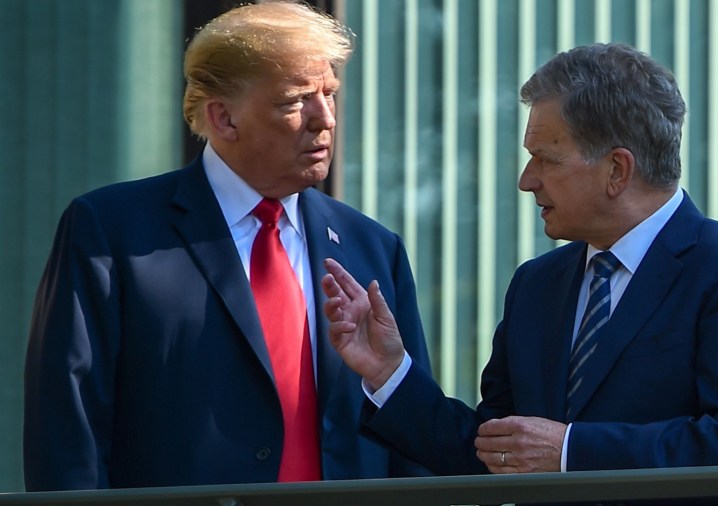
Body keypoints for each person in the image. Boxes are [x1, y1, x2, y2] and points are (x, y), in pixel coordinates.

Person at [322, 42, 718, 505]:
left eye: (547, 159)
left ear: (617, 169)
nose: (526, 180)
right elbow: (493, 452)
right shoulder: (536, 285)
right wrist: (390, 373)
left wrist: (571, 452)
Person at [23, 1, 430, 491]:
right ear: (223, 118)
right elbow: (70, 433)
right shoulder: (111, 233)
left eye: (330, 93)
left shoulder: (373, 247)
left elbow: (415, 441)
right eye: (295, 100)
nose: (325, 118)